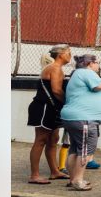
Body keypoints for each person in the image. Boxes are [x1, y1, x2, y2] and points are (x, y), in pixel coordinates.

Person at [61, 54, 101, 191]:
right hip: (84, 118)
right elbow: (96, 87)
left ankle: (73, 179)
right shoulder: (86, 72)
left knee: (75, 149)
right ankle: (78, 180)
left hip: (75, 117)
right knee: (85, 150)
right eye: (98, 62)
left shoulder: (78, 73)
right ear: (90, 63)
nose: (99, 65)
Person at [27, 44, 70, 184]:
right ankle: (34, 175)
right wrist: (68, 102)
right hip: (44, 107)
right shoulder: (55, 68)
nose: (70, 55)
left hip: (52, 108)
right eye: (68, 52)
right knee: (41, 140)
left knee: (53, 139)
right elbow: (57, 91)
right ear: (60, 55)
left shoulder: (57, 68)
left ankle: (54, 171)